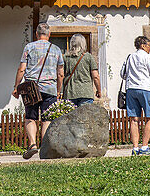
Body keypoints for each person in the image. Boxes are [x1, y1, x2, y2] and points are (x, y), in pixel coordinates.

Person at [13, 23, 65, 159]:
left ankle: (32, 145)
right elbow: (60, 74)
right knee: (46, 119)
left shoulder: (29, 47)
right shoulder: (56, 50)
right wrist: (59, 90)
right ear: (49, 34)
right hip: (50, 88)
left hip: (31, 88)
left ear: (36, 34)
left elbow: (22, 69)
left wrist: (16, 87)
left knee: (30, 117)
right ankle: (45, 147)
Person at [121, 35, 150, 156]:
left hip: (131, 89)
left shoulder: (129, 57)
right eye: (149, 46)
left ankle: (135, 148)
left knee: (134, 119)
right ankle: (144, 147)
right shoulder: (147, 57)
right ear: (143, 45)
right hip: (145, 88)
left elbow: (122, 74)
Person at [63, 33, 101, 106]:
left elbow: (61, 75)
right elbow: (95, 76)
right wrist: (99, 91)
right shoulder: (88, 57)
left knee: (71, 117)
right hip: (86, 93)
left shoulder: (66, 58)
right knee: (85, 117)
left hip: (70, 93)